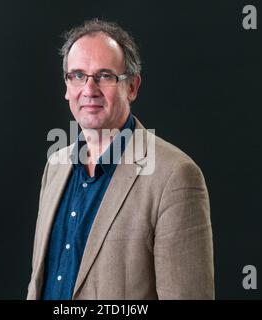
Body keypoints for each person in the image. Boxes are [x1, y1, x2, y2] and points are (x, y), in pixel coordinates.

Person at [27, 18, 214, 300]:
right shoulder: (55, 166)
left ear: (132, 87)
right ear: (67, 87)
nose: (89, 89)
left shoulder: (175, 176)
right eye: (77, 75)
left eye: (104, 75)